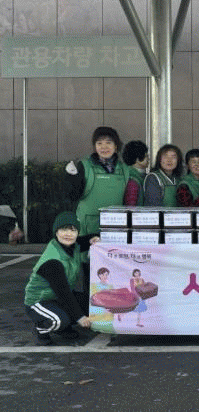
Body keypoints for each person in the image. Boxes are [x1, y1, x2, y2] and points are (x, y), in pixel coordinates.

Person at [24, 212, 98, 346]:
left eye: (73, 230)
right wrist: (80, 318)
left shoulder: (73, 245)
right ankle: (41, 328)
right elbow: (64, 293)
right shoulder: (53, 260)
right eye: (64, 229)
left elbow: (85, 240)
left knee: (91, 304)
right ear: (56, 232)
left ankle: (63, 328)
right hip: (39, 301)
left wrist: (93, 238)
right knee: (58, 320)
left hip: (56, 298)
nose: (68, 234)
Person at [65, 126, 136, 235]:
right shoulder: (84, 166)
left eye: (108, 143)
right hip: (87, 225)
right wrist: (72, 177)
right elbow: (73, 195)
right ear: (95, 146)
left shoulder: (124, 169)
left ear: (116, 146)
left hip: (115, 223)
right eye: (99, 143)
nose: (104, 147)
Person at [122, 140, 149, 206]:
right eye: (146, 156)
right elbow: (131, 205)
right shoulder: (132, 180)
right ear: (137, 159)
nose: (148, 159)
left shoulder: (135, 175)